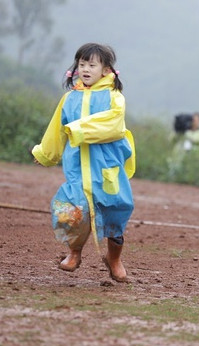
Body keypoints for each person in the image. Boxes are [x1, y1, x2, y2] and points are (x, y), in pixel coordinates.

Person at [32, 43, 135, 282]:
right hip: (77, 166)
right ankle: (74, 253)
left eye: (92, 64)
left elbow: (113, 125)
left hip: (106, 167)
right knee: (73, 209)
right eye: (81, 64)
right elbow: (57, 128)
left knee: (115, 208)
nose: (86, 69)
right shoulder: (69, 98)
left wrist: (77, 129)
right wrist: (45, 154)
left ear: (106, 70)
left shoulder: (114, 97)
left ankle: (114, 259)